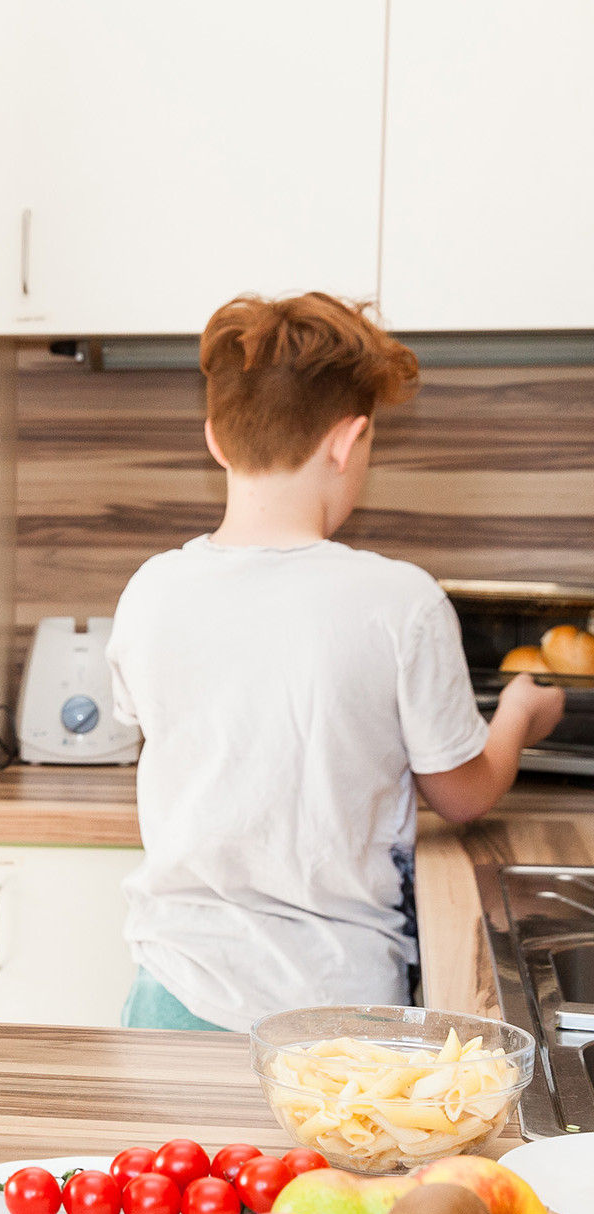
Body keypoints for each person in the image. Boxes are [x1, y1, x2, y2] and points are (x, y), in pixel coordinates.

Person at [107, 292, 562, 1032]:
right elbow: (464, 794)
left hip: (172, 989)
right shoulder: (400, 601)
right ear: (349, 442)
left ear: (216, 439)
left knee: (170, 1156)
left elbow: (168, 727)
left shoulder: (151, 588)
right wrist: (517, 717)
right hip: (336, 1006)